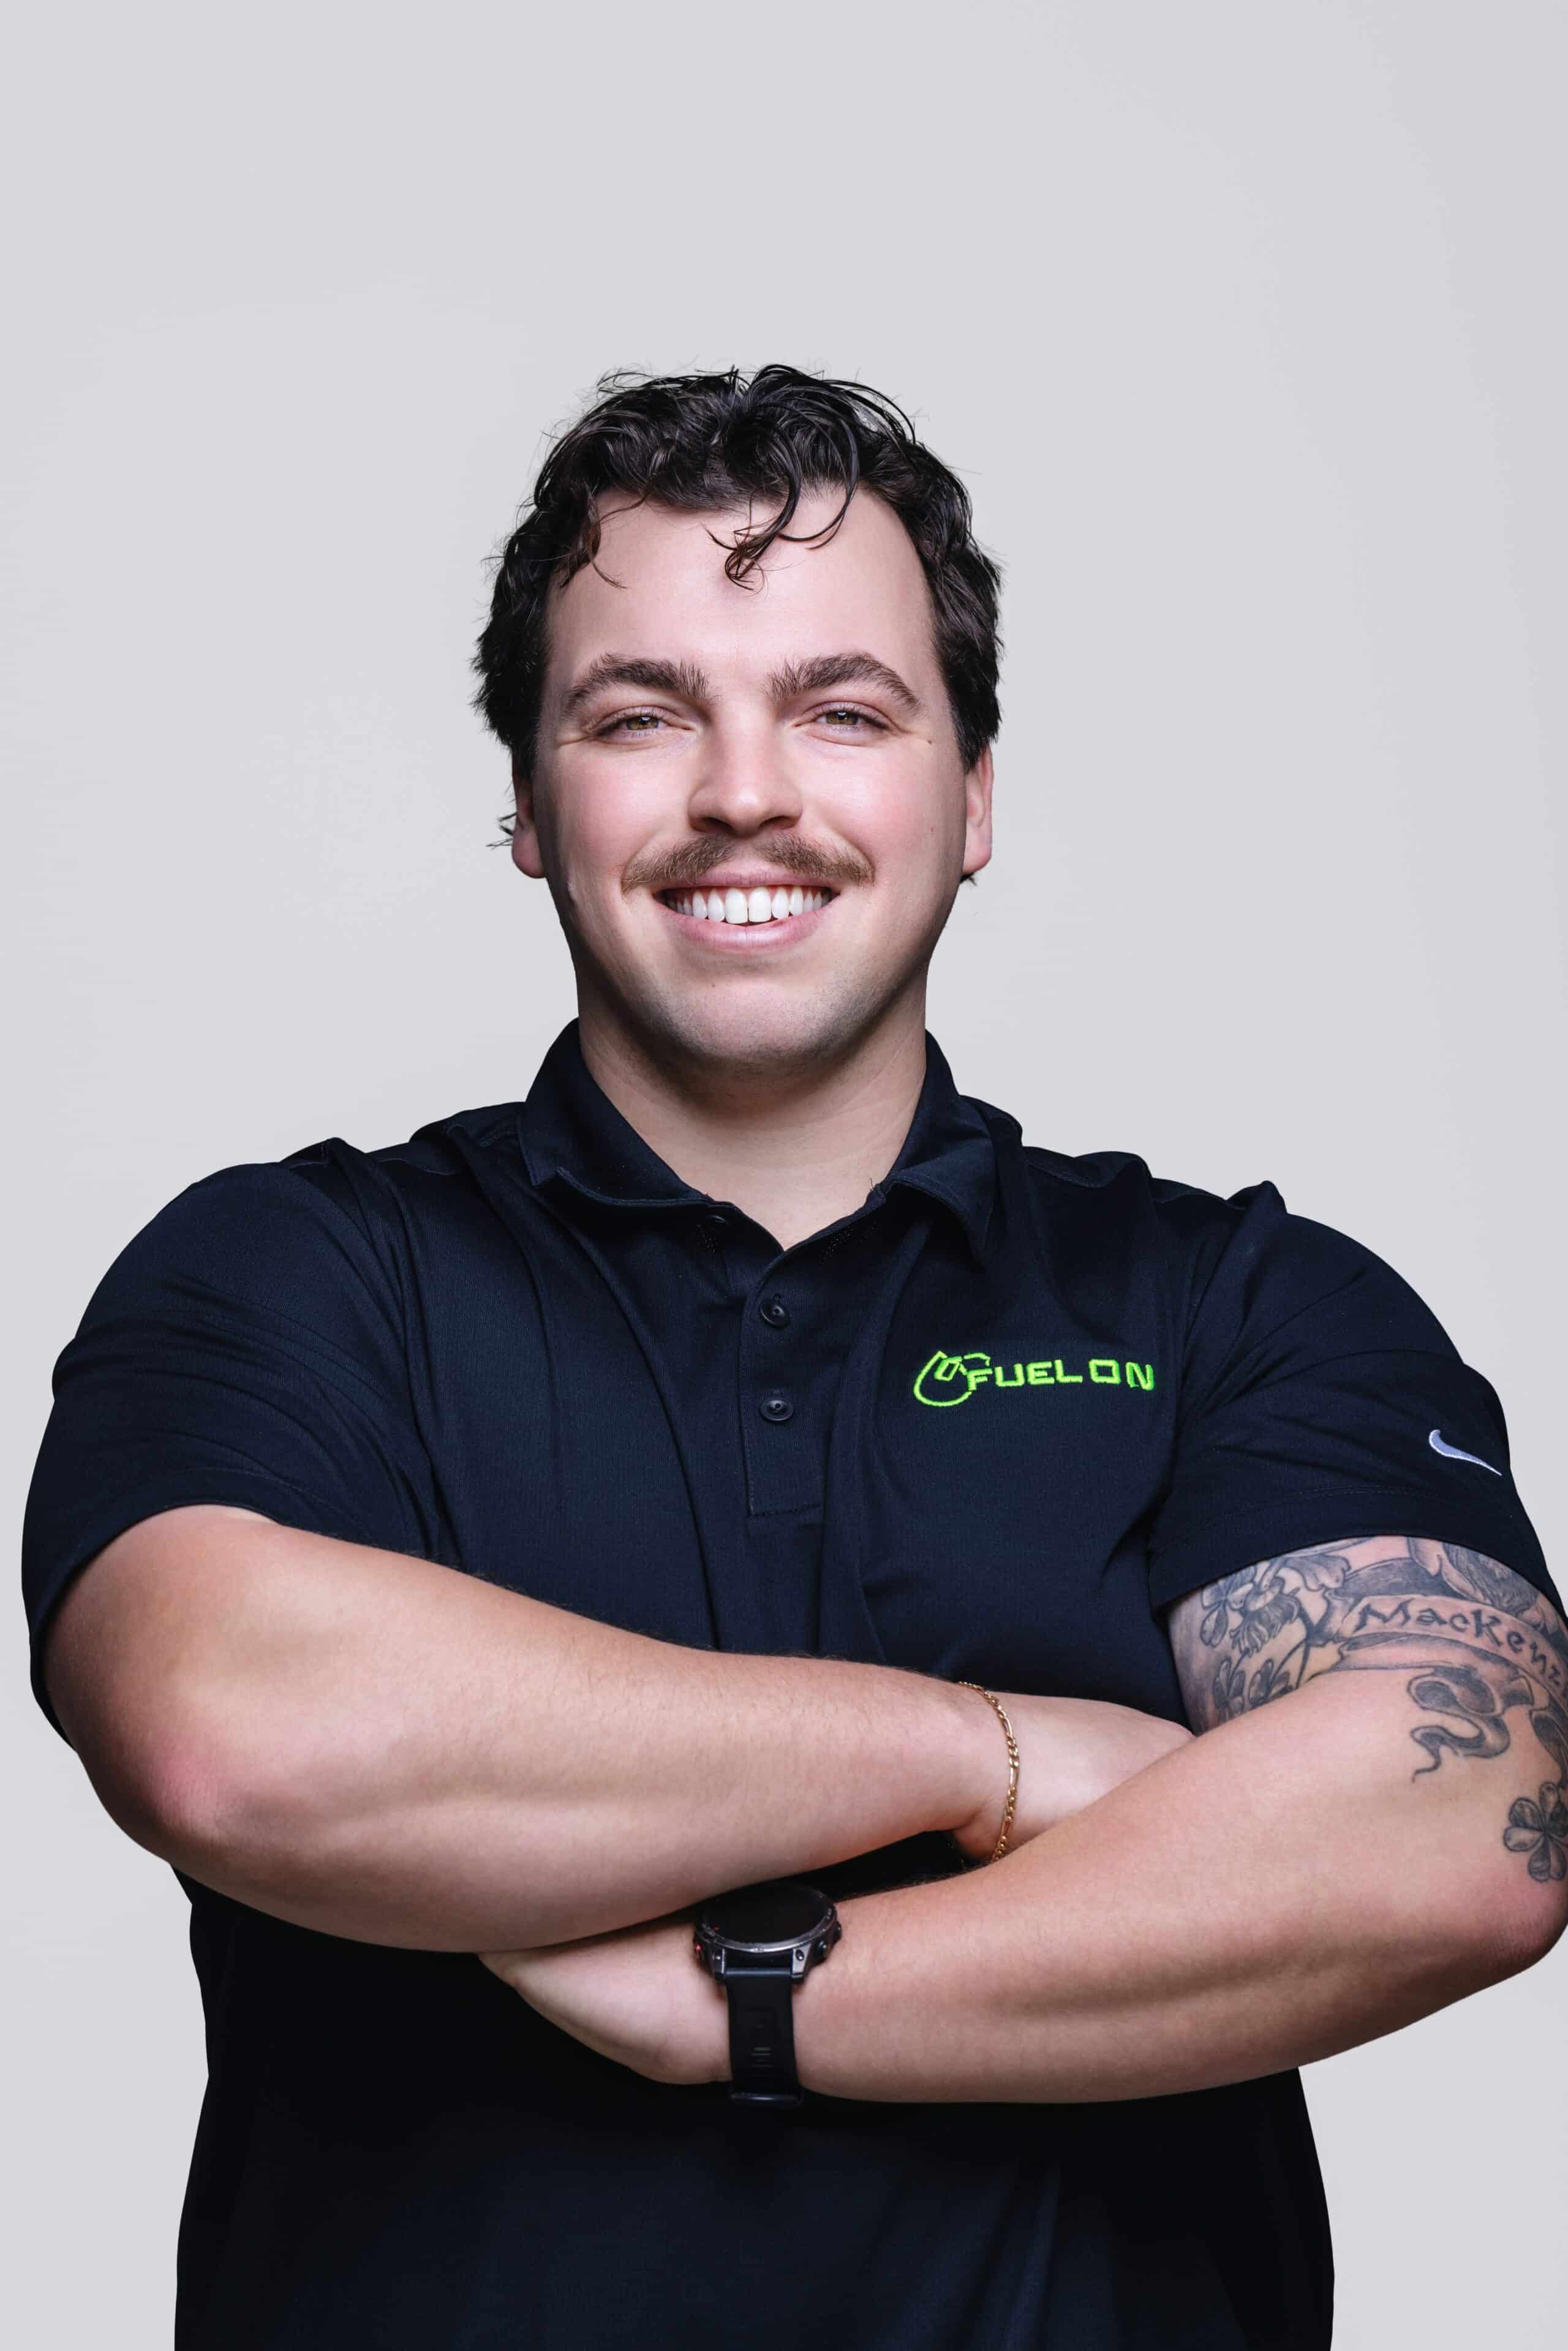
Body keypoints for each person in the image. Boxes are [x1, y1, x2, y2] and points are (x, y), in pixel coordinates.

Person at [23, 361, 1565, 2351]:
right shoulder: (299, 1277)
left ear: (974, 796)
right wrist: (991, 1757)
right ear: (525, 802)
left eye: (844, 711)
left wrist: (744, 2005)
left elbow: (1472, 1826)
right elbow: (236, 1731)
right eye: (640, 713)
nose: (745, 792)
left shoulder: (1236, 1304)